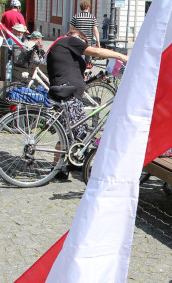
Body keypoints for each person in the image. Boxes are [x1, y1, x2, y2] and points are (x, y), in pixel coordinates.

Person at [46, 28, 127, 180]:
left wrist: (95, 80)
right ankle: (73, 167)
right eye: (81, 43)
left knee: (69, 133)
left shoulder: (66, 50)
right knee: (80, 133)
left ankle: (59, 168)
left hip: (69, 91)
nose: (81, 48)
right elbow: (96, 51)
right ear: (74, 37)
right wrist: (120, 55)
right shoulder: (69, 40)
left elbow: (75, 74)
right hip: (67, 92)